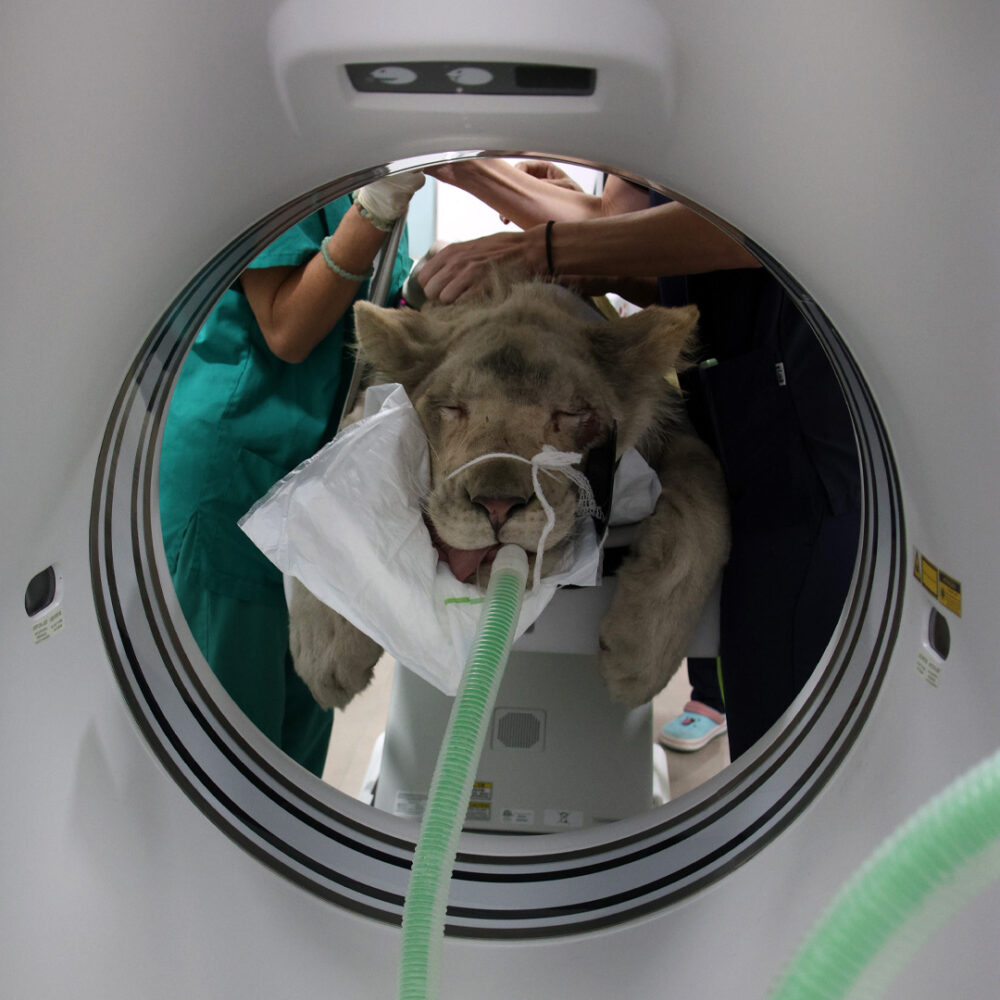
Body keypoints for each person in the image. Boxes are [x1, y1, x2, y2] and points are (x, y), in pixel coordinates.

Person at [420, 159, 860, 760]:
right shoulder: (648, 150)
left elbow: (763, 223)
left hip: (796, 427)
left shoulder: (740, 112)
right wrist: (478, 175)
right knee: (766, 686)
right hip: (742, 412)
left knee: (797, 717)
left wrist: (550, 246)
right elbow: (637, 248)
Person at [159, 173, 424, 776]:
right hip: (238, 475)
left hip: (316, 478)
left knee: (300, 743)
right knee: (231, 754)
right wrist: (374, 212)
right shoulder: (286, 166)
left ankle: (275, 870)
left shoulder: (368, 165)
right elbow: (287, 330)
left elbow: (365, 314)